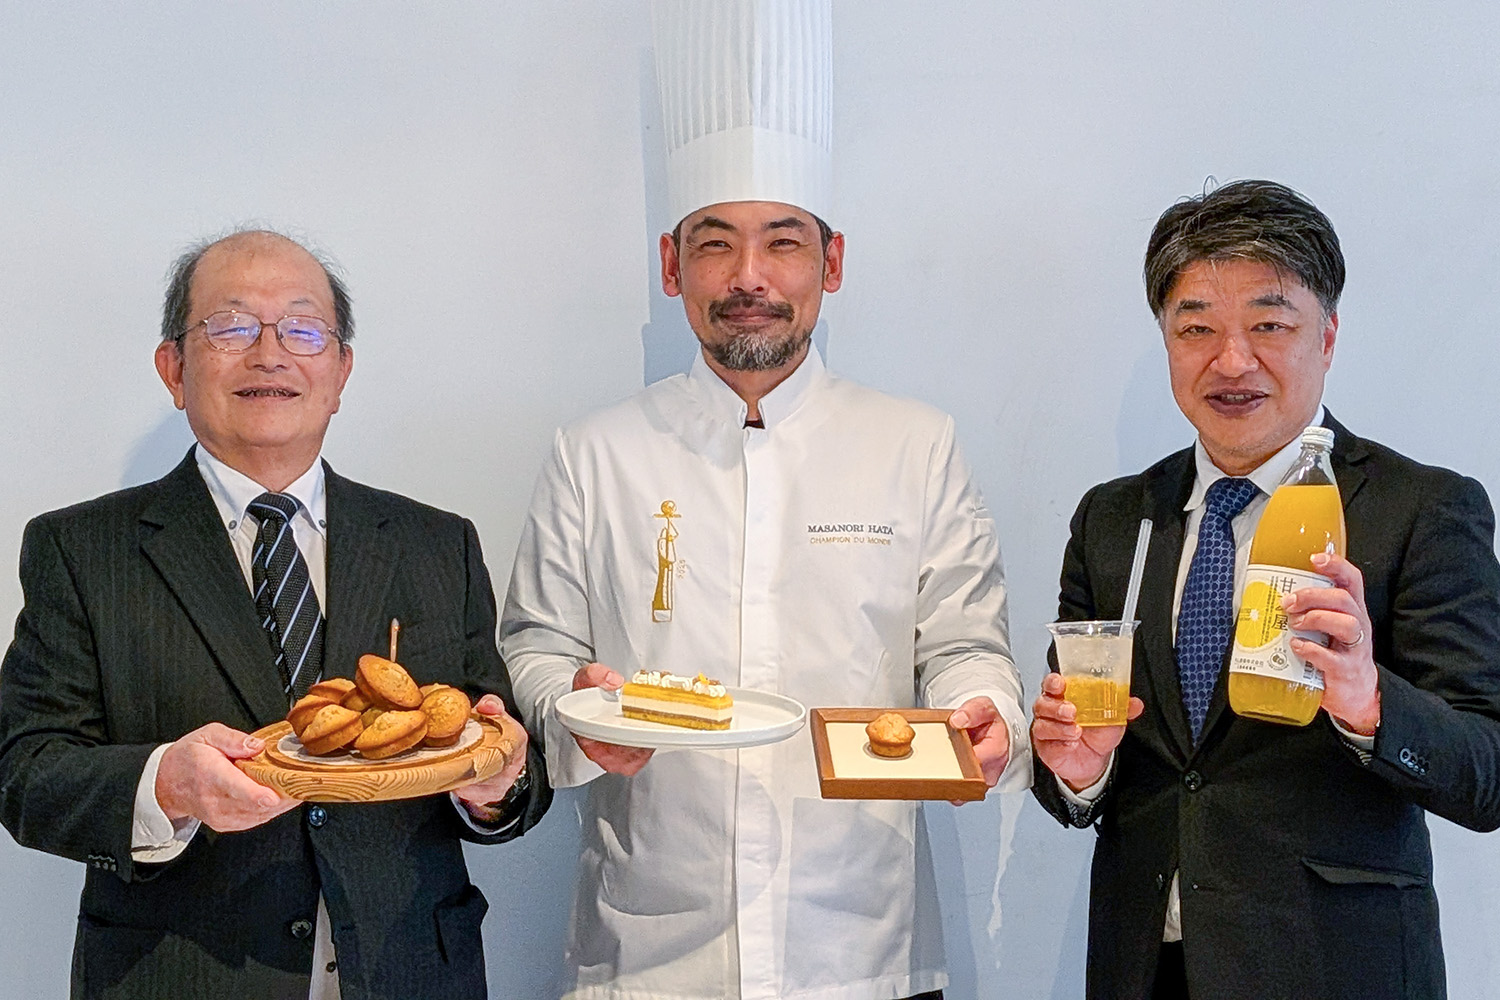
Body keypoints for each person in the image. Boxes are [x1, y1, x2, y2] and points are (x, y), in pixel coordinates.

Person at [499, 2, 1028, 998]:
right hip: (648, 955)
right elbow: (536, 642)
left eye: (783, 242)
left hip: (862, 953)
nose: (750, 277)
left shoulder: (915, 444)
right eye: (715, 244)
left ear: (832, 261)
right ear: (672, 266)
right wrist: (572, 709)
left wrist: (983, 713)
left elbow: (964, 643)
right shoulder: (595, 452)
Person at [0, 230, 549, 1000]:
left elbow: (506, 755)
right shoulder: (83, 549)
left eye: (302, 328)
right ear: (173, 368)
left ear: (341, 370)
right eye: (230, 327)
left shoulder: (436, 543)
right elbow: (26, 773)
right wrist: (166, 785)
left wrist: (498, 785)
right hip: (182, 977)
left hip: (411, 971)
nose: (269, 354)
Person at [1030, 180, 1500, 1000]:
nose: (1232, 361)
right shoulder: (1115, 519)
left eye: (1270, 324)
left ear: (1328, 337)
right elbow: (1076, 769)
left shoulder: (1420, 509)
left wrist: (1368, 702)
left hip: (1335, 971)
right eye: (1197, 327)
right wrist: (1077, 772)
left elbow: (1486, 770)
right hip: (1145, 968)